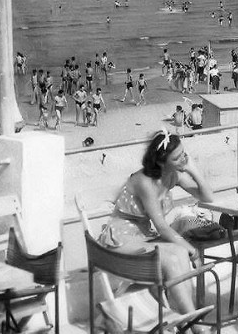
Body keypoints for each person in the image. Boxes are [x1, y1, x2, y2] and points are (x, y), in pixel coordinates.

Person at [97, 131, 214, 334]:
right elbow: (162, 227)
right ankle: (195, 326)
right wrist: (193, 251)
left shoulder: (174, 175)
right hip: (121, 237)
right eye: (177, 157)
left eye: (184, 154)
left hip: (143, 236)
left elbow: (207, 196)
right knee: (174, 256)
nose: (183, 159)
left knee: (178, 253)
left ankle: (185, 318)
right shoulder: (145, 182)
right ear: (161, 162)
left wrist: (194, 169)